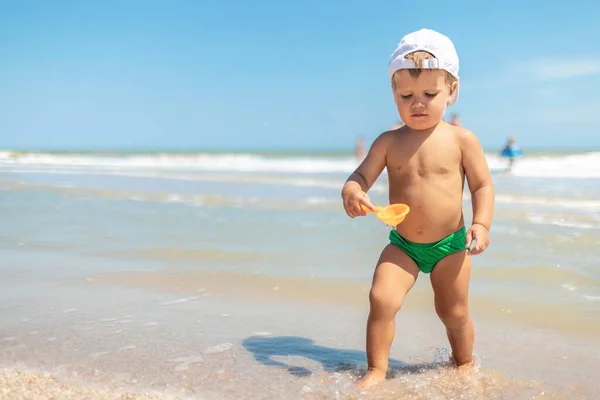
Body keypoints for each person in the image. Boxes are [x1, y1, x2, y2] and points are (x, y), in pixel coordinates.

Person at [341, 28, 495, 388]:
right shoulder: (388, 142)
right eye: (407, 95)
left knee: (453, 312)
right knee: (381, 298)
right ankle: (377, 369)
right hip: (404, 244)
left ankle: (464, 364)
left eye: (429, 93)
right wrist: (352, 190)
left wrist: (482, 224)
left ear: (452, 91)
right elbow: (361, 175)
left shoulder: (461, 140)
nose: (418, 103)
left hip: (451, 245)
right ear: (394, 93)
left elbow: (482, 185)